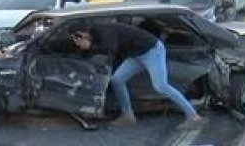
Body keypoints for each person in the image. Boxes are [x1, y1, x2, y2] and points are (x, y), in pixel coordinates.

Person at [69, 22, 204, 129]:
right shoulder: (94, 36)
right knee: (117, 80)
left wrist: (90, 47)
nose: (76, 43)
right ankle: (128, 115)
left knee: (160, 85)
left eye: (75, 39)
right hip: (136, 54)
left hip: (152, 51)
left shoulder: (103, 30)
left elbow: (112, 49)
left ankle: (193, 117)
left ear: (80, 35)